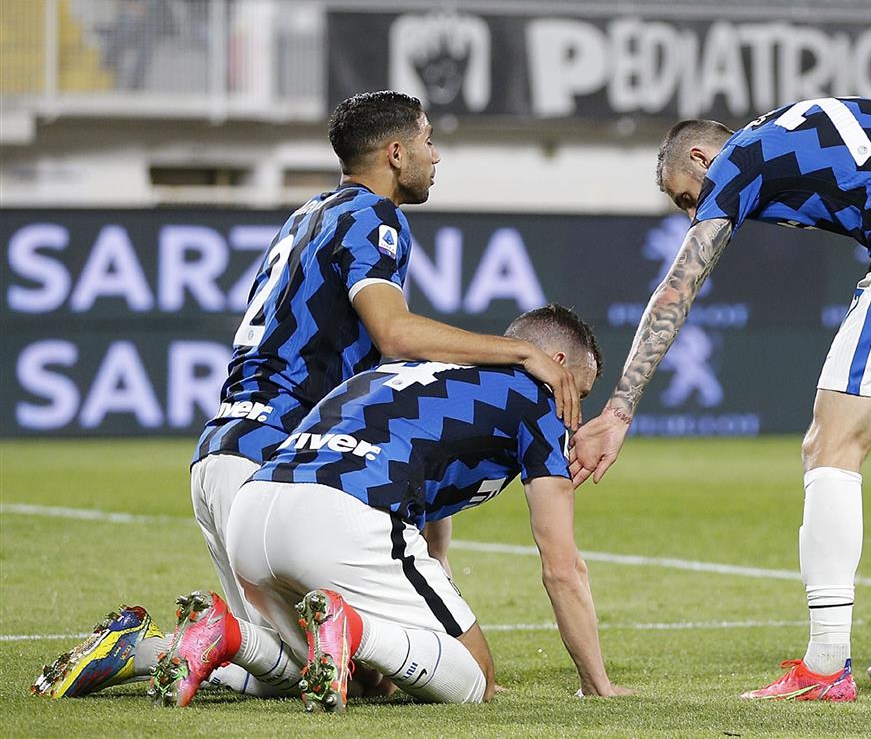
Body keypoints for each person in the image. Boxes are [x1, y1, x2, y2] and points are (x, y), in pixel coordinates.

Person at [31, 92, 583, 700]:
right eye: (427, 141)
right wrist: (521, 351)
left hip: (225, 448)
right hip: (283, 459)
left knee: (312, 666)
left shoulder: (309, 215)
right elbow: (395, 334)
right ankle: (150, 649)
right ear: (396, 154)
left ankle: (148, 649)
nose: (436, 155)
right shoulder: (375, 218)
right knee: (323, 671)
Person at [571, 97, 871, 701]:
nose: (694, 209)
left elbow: (678, 288)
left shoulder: (737, 159)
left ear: (699, 155)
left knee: (831, 446)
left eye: (685, 196)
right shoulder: (816, 123)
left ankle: (825, 664)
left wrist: (619, 409)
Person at [145, 306, 631, 710]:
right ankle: (350, 627)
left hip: (253, 510)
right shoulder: (536, 398)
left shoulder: (416, 373)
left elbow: (431, 550)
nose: (576, 413)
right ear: (557, 362)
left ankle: (220, 636)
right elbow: (562, 568)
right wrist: (597, 684)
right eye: (578, 392)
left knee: (362, 682)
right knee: (474, 682)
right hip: (343, 511)